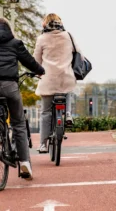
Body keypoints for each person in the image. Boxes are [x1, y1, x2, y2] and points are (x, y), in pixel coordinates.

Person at [0, 17, 45, 180]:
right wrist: (40, 70)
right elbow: (29, 61)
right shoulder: (15, 43)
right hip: (10, 87)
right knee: (18, 123)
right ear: (8, 29)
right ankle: (24, 162)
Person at [33, 13, 84, 153]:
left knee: (45, 112)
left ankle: (43, 144)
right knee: (67, 89)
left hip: (48, 80)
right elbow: (79, 53)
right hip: (66, 77)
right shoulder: (68, 36)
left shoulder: (42, 39)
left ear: (45, 24)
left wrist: (37, 73)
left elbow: (36, 61)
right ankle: (67, 113)